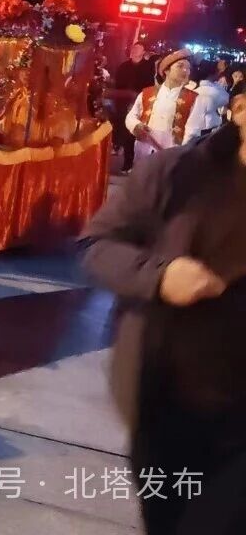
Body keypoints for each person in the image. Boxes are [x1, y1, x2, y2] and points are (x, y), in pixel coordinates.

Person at [81, 93, 246, 535]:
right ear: (241, 110)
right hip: (167, 399)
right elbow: (98, 246)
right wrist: (160, 275)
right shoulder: (176, 174)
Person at [124, 50, 209, 164]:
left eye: (188, 68)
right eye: (180, 66)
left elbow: (193, 131)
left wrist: (180, 154)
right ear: (166, 71)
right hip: (144, 151)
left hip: (172, 156)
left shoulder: (195, 98)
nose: (185, 71)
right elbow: (131, 116)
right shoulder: (146, 93)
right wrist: (136, 126)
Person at [112, 43, 159, 173]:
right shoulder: (123, 67)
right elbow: (117, 86)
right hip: (124, 104)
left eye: (138, 49)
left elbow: (150, 88)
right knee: (126, 134)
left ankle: (138, 165)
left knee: (137, 135)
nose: (134, 51)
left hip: (141, 105)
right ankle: (127, 163)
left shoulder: (149, 68)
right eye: (133, 48)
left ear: (143, 52)